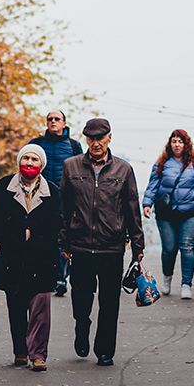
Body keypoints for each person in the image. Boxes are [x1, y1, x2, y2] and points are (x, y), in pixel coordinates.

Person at [57, 117, 145, 366]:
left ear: (109, 137)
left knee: (109, 302)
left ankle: (105, 350)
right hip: (80, 245)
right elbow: (64, 208)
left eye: (100, 137)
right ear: (86, 139)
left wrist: (138, 246)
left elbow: (132, 209)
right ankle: (82, 326)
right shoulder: (71, 167)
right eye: (91, 138)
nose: (96, 143)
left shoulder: (123, 170)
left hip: (111, 246)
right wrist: (63, 242)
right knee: (81, 298)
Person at [0, 144, 63, 371]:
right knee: (16, 305)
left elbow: (59, 223)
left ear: (41, 165)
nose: (29, 163)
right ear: (19, 162)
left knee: (41, 308)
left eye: (34, 160)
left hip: (42, 257)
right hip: (12, 257)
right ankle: (20, 350)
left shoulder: (52, 191)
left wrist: (37, 233)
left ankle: (38, 355)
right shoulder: (4, 187)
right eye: (25, 158)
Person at [143, 128, 194, 300]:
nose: (177, 145)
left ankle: (186, 284)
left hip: (190, 212)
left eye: (180, 141)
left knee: (187, 246)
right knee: (169, 248)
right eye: (174, 141)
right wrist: (147, 203)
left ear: (186, 144)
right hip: (165, 213)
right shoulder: (161, 164)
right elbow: (153, 185)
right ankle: (167, 278)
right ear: (170, 144)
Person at [31, 110, 84, 293]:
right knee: (45, 236)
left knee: (63, 237)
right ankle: (47, 275)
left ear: (64, 123)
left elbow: (82, 172)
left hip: (66, 198)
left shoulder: (74, 146)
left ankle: (61, 277)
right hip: (41, 197)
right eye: (50, 119)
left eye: (56, 119)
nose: (53, 122)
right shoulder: (36, 144)